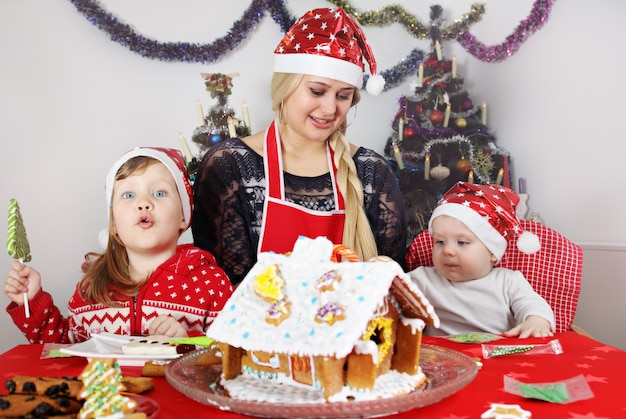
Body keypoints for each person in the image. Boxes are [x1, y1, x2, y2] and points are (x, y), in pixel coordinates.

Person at [192, 7, 407, 285]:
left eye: (344, 96)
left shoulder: (371, 173)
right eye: (317, 91)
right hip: (257, 327)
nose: (330, 109)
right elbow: (221, 289)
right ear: (285, 86)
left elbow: (392, 286)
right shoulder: (230, 167)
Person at [4, 147, 233, 344]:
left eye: (159, 193)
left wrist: (187, 341)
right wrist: (31, 300)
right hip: (105, 395)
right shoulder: (91, 287)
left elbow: (231, 353)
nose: (143, 203)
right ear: (113, 223)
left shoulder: (210, 283)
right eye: (129, 195)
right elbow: (66, 349)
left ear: (183, 216)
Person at [409, 181, 555, 338]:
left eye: (462, 242)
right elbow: (390, 296)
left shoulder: (508, 281)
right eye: (440, 241)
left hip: (497, 354)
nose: (448, 250)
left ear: (492, 251)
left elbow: (533, 305)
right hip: (444, 357)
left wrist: (536, 322)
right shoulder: (423, 279)